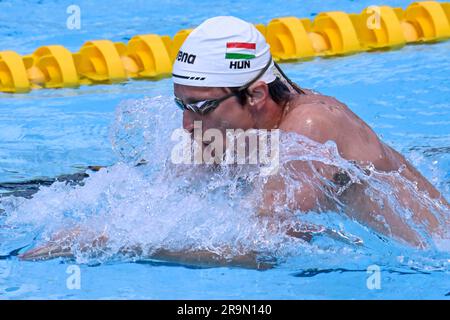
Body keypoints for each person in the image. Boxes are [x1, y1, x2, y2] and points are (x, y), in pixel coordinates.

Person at [20, 16, 449, 264]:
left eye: (201, 108)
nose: (188, 125)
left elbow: (264, 250)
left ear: (256, 94)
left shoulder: (313, 129)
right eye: (181, 106)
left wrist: (118, 246)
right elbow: (169, 200)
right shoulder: (232, 126)